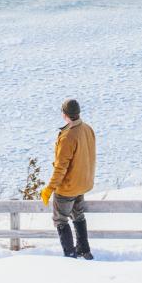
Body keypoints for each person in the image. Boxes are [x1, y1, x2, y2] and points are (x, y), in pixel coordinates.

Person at [40, 98, 96, 259]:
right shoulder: (87, 129)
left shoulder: (68, 136)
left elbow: (60, 168)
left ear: (64, 114)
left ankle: (70, 255)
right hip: (82, 183)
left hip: (68, 187)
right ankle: (84, 250)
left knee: (60, 219)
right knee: (78, 215)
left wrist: (49, 189)